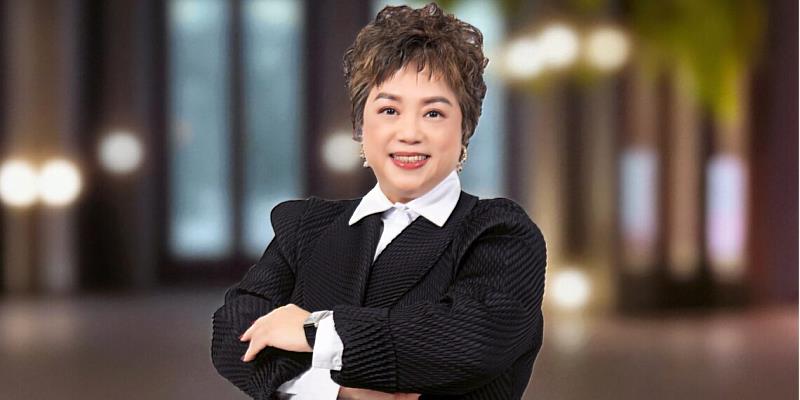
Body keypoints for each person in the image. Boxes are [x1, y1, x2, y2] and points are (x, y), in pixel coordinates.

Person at [211, 3, 547, 399]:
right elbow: (235, 331)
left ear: (464, 132)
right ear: (360, 127)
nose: (409, 133)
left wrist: (315, 331)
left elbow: (469, 341)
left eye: (434, 113)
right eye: (389, 109)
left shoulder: (500, 233)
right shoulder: (306, 226)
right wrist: (338, 392)